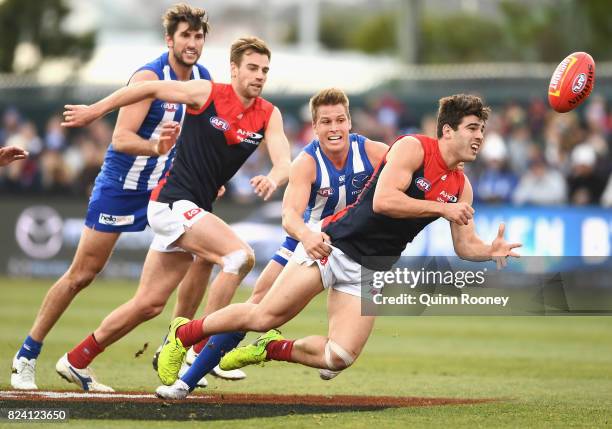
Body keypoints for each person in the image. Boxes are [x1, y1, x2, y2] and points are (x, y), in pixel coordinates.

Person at [154, 94, 522, 391]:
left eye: (482, 130)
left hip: (372, 267)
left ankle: (270, 349)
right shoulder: (413, 148)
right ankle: (183, 333)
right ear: (447, 130)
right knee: (264, 314)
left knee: (339, 357)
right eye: (472, 128)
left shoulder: (462, 185)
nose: (479, 137)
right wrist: (440, 209)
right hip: (334, 245)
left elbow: (464, 245)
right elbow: (384, 201)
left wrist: (489, 251)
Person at [57, 36, 291, 391]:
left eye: (265, 70)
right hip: (171, 202)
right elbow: (146, 89)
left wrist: (273, 179)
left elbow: (284, 162)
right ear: (234, 69)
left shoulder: (268, 114)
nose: (260, 76)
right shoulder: (206, 92)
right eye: (252, 68)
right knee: (238, 257)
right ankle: (199, 349)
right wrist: (95, 111)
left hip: (193, 208)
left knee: (149, 303)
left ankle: (77, 359)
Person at [10, 4, 215, 391]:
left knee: (202, 256)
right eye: (185, 35)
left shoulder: (203, 78)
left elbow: (197, 139)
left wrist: (207, 176)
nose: (192, 43)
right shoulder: (149, 76)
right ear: (169, 40)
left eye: (198, 36)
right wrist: (156, 147)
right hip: (122, 189)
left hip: (166, 192)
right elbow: (120, 139)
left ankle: (175, 347)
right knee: (81, 275)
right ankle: (26, 356)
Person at [158, 88, 389, 398]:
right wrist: (307, 237)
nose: (334, 128)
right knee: (258, 310)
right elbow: (290, 217)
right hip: (307, 245)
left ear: (350, 123)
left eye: (340, 120)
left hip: (356, 254)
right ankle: (189, 375)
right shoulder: (306, 162)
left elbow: (410, 172)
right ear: (314, 127)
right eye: (325, 122)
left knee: (338, 358)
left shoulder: (374, 152)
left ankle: (265, 348)